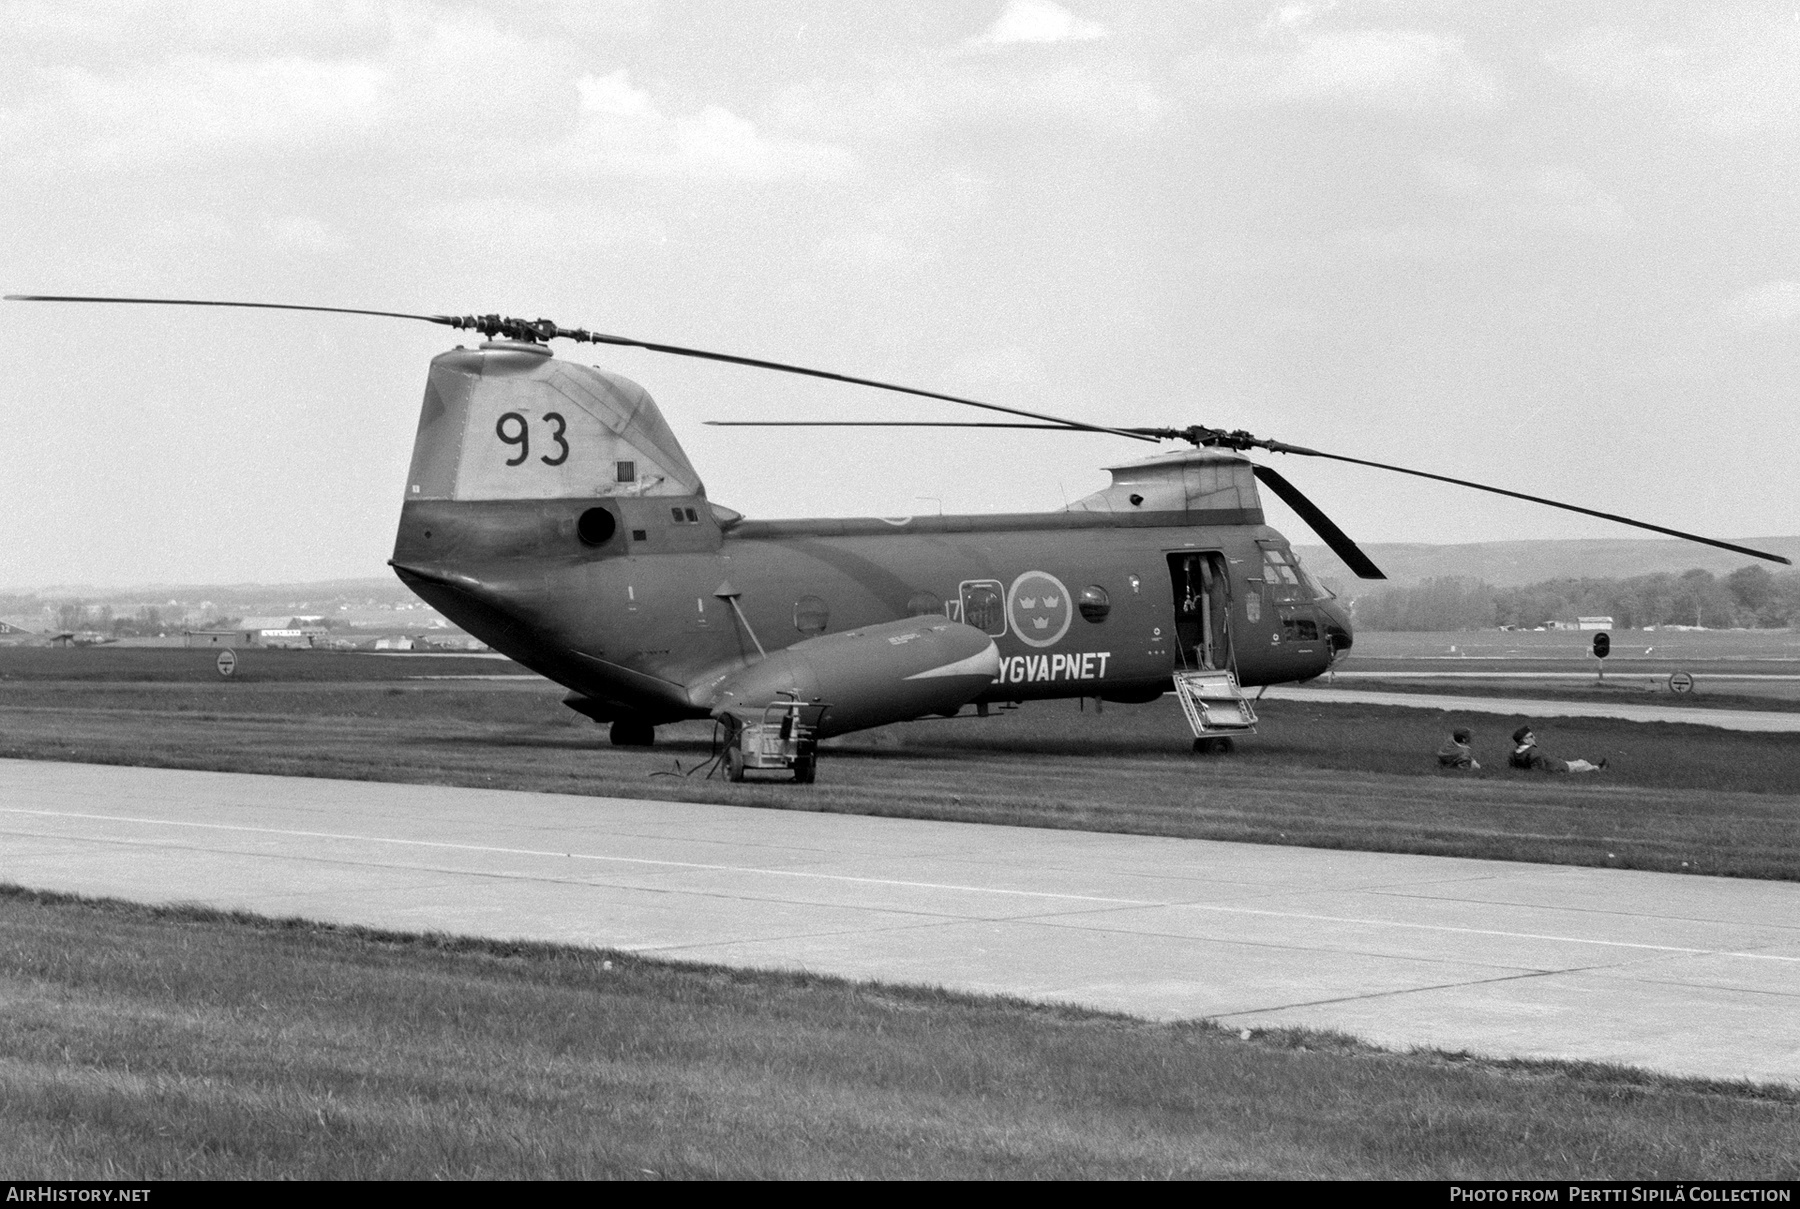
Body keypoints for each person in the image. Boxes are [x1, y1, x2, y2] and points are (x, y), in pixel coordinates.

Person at [1509, 726, 1606, 774]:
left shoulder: (1513, 754)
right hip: (1561, 767)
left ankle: (1596, 767)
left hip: (1556, 763)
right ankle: (1598, 768)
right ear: (1525, 740)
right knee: (1583, 763)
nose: (1534, 737)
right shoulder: (1534, 753)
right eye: (1531, 736)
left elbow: (1514, 768)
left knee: (1580, 762)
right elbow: (1539, 772)